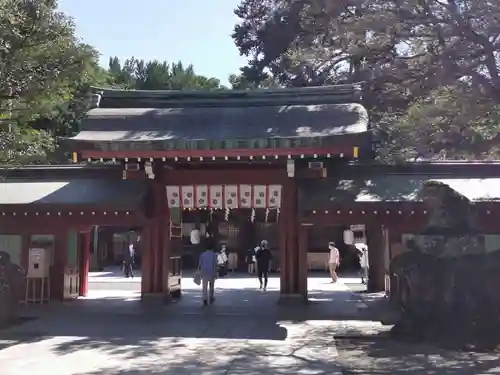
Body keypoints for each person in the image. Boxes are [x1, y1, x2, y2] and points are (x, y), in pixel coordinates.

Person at [197, 239, 218, 305]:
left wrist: (199, 270)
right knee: (211, 286)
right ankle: (211, 297)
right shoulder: (214, 255)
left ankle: (205, 299)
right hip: (211, 271)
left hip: (204, 271)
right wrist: (216, 273)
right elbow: (215, 264)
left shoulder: (203, 254)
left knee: (204, 286)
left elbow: (200, 264)